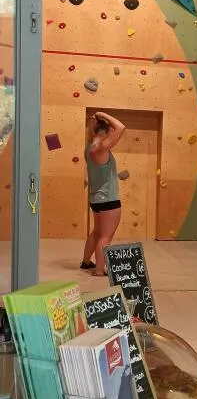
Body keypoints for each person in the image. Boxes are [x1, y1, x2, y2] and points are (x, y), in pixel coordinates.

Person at [81, 110, 126, 276]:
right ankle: (100, 270)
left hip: (96, 199)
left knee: (97, 232)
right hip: (108, 199)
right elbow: (121, 127)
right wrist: (102, 114)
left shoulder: (89, 149)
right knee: (106, 236)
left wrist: (96, 121)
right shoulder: (102, 147)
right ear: (107, 131)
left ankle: (86, 261)